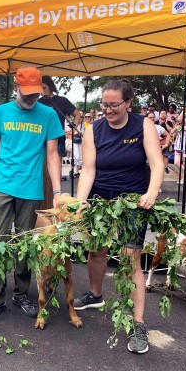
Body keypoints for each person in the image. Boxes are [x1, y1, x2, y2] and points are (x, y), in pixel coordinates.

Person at [73, 79, 164, 354]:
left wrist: (151, 193)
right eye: (105, 104)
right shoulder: (94, 129)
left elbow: (157, 163)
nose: (108, 110)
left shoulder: (143, 125)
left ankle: (138, 323)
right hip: (101, 199)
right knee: (96, 250)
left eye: (114, 105)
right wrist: (79, 203)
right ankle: (95, 294)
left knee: (129, 257)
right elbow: (88, 170)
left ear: (128, 103)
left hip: (133, 202)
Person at [0, 67, 64, 323]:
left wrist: (57, 192)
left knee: (26, 246)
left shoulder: (48, 115)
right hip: (2, 186)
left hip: (31, 189)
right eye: (26, 94)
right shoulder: (0, 112)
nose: (31, 99)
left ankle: (21, 293)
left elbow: (52, 155)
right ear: (15, 87)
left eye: (35, 94)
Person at [39, 75, 80, 180]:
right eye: (40, 88)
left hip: (58, 138)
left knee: (55, 168)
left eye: (44, 88)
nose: (42, 91)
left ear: (51, 87)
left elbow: (77, 114)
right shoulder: (37, 102)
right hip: (41, 138)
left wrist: (74, 125)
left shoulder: (62, 101)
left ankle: (56, 191)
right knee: (41, 168)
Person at [156, 109, 174, 174]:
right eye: (162, 113)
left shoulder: (169, 122)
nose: (163, 115)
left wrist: (166, 124)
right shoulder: (156, 122)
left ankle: (166, 167)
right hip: (157, 141)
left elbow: (171, 131)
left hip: (166, 141)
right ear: (159, 114)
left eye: (164, 113)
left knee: (165, 155)